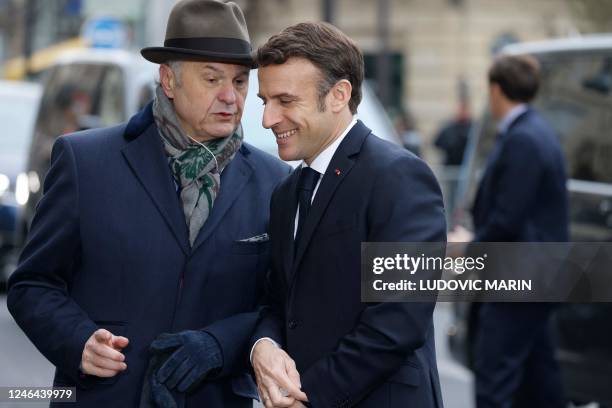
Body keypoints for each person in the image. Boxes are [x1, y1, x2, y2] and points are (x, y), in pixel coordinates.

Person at [7, 1, 289, 407]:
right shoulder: (86, 162)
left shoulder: (273, 181)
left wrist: (220, 345)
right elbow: (32, 285)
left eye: (241, 82)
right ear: (168, 80)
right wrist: (77, 340)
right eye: (212, 79)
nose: (230, 96)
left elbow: (279, 307)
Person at [249, 22, 447, 407]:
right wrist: (264, 345)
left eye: (285, 101)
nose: (268, 119)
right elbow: (277, 301)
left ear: (339, 95)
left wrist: (308, 396)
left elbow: (397, 323)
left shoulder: (399, 177)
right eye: (265, 101)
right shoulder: (286, 193)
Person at [449, 55, 568, 408]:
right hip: (537, 275)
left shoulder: (523, 139)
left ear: (496, 90)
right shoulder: (536, 131)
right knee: (539, 376)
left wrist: (468, 246)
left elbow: (508, 217)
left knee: (494, 375)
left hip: (518, 276)